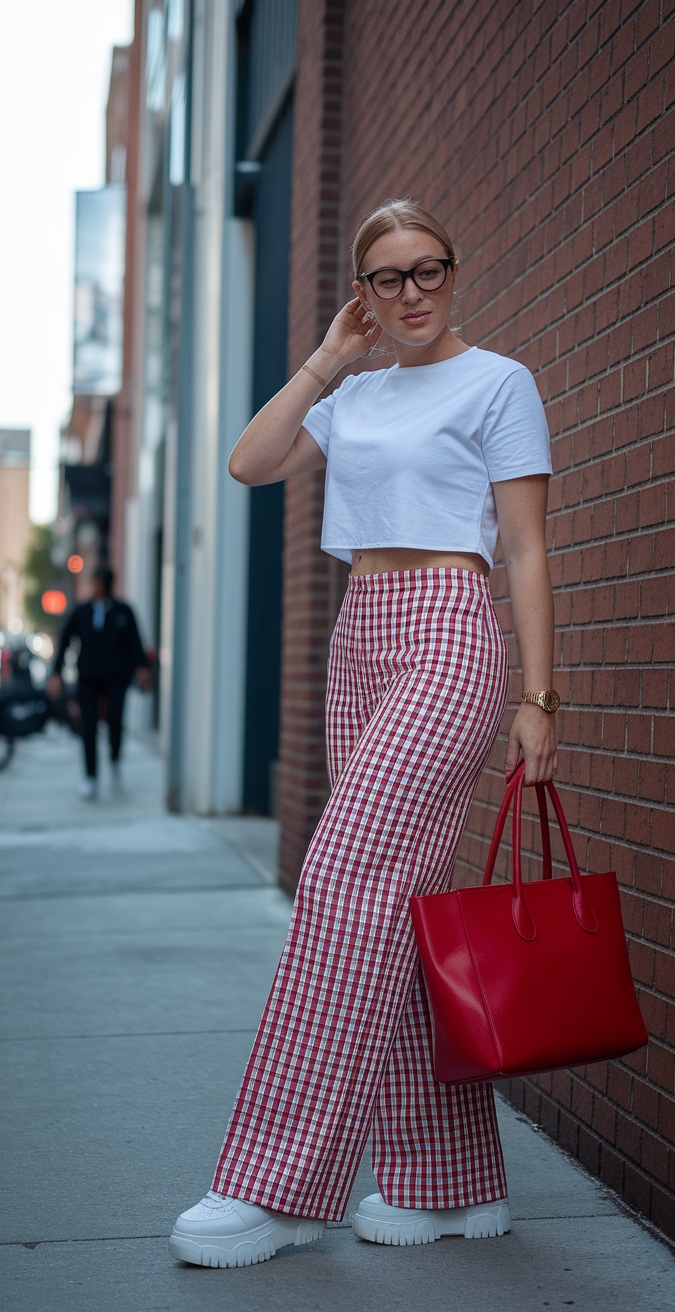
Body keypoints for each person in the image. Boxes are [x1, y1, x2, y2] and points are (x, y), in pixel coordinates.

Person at [169, 199, 558, 1268]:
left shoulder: (500, 383)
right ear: (365, 295)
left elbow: (523, 551)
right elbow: (249, 462)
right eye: (387, 278)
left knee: (342, 880)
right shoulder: (359, 393)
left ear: (453, 268)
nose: (413, 292)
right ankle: (448, 1185)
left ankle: (280, 1185)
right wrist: (324, 361)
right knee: (399, 910)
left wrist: (541, 694)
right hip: (360, 638)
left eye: (428, 267)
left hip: (448, 633)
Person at [47, 567, 150, 799]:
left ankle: (114, 760)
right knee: (88, 726)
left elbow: (135, 643)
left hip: (116, 678)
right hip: (89, 678)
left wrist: (141, 668)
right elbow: (65, 642)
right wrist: (56, 673)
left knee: (115, 720)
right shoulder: (81, 612)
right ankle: (90, 775)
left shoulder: (123, 611)